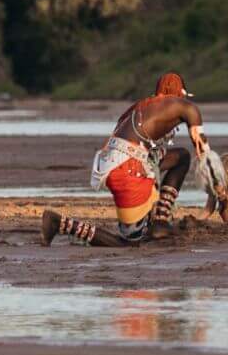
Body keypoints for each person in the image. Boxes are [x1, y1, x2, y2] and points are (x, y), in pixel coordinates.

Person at [43, 72, 208, 247]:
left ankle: (160, 220)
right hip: (127, 169)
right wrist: (220, 193)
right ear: (179, 94)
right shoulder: (184, 106)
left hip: (125, 162)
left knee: (181, 156)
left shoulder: (143, 106)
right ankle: (62, 224)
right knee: (128, 243)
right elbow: (206, 157)